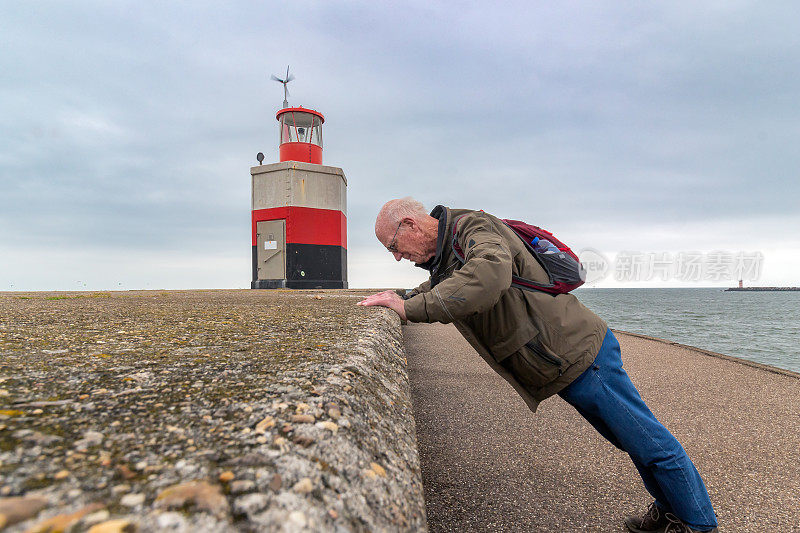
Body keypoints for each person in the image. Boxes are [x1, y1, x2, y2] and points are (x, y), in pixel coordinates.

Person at [357, 198, 718, 533]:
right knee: (632, 440)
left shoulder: (473, 228)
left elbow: (488, 275)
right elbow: (444, 284)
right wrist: (403, 298)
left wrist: (412, 309)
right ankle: (671, 508)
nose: (397, 257)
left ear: (410, 225)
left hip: (580, 353)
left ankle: (699, 525)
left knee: (649, 441)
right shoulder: (449, 250)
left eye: (393, 246)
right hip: (564, 359)